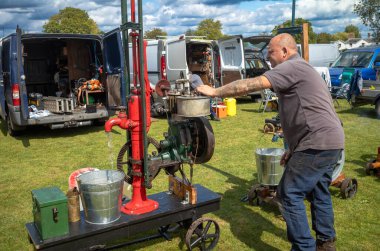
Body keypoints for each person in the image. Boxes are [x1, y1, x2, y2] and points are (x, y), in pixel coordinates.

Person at [196, 33, 344, 251]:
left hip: (316, 141)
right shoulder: (304, 68)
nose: (267, 56)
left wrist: (215, 91)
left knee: (288, 195)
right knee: (318, 191)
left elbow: (250, 85)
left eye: (271, 51)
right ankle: (325, 243)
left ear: (285, 52)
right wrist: (293, 149)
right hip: (329, 141)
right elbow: (310, 111)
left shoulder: (291, 67)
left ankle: (304, 248)